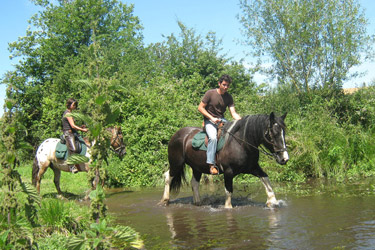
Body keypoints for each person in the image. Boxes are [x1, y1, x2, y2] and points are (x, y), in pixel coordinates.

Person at [198, 74, 241, 175]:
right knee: (213, 138)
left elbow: (233, 113)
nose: (226, 87)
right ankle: (211, 165)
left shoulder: (229, 97)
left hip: (222, 120)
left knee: (232, 135)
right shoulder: (210, 93)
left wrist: (242, 120)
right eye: (224, 85)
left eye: (227, 86)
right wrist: (211, 118)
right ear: (219, 83)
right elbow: (200, 108)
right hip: (209, 120)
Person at [62, 98, 88, 173]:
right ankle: (71, 166)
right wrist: (82, 130)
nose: (75, 106)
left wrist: (80, 127)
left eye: (75, 105)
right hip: (68, 134)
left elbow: (73, 126)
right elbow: (73, 126)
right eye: (74, 105)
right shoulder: (68, 114)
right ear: (69, 105)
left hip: (73, 133)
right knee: (73, 149)